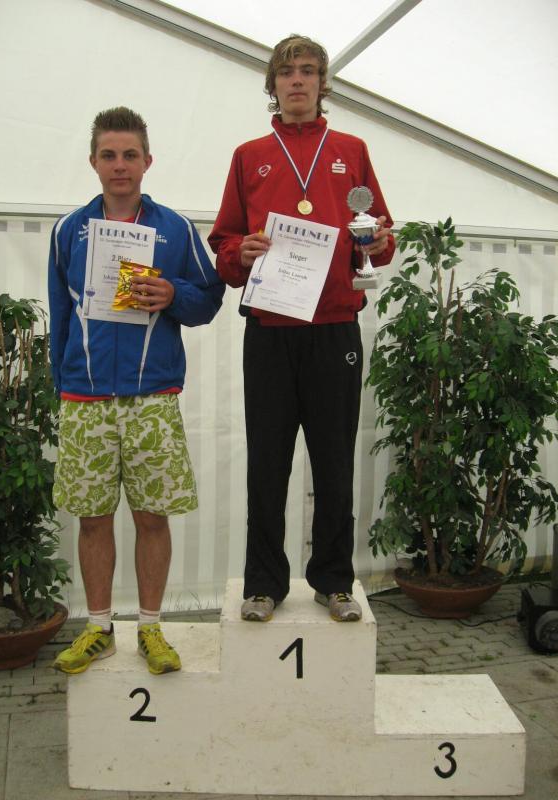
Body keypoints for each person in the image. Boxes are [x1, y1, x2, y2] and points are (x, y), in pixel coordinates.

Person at [208, 35, 394, 623]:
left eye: (308, 71)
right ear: (273, 83)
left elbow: (380, 236)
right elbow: (224, 245)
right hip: (270, 327)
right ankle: (264, 584)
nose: (297, 81)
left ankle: (334, 581)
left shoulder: (352, 150)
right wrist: (242, 251)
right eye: (287, 72)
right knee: (267, 461)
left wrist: (379, 241)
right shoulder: (249, 155)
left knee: (334, 460)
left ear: (322, 83)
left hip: (335, 326)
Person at [49, 107, 224, 674]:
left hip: (152, 399)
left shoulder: (175, 229)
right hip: (85, 399)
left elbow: (209, 300)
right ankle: (99, 627)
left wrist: (173, 294)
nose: (119, 165)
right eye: (109, 155)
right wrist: (63, 385)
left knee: (152, 517)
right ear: (93, 162)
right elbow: (60, 314)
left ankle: (150, 627)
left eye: (129, 155)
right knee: (92, 520)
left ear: (148, 161)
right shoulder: (67, 230)